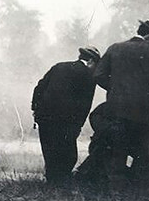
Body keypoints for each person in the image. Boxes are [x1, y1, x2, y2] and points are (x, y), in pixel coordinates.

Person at [93, 19, 149, 192]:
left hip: (116, 109)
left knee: (117, 149)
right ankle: (139, 190)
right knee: (144, 150)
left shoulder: (115, 48)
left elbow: (98, 75)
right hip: (145, 112)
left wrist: (114, 90)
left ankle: (116, 191)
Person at [31, 46, 100, 185]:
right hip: (67, 121)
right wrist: (78, 125)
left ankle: (52, 181)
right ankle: (61, 182)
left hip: (45, 117)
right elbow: (85, 104)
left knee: (49, 149)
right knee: (68, 154)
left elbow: (39, 87)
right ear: (91, 61)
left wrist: (36, 109)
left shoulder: (59, 66)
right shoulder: (89, 76)